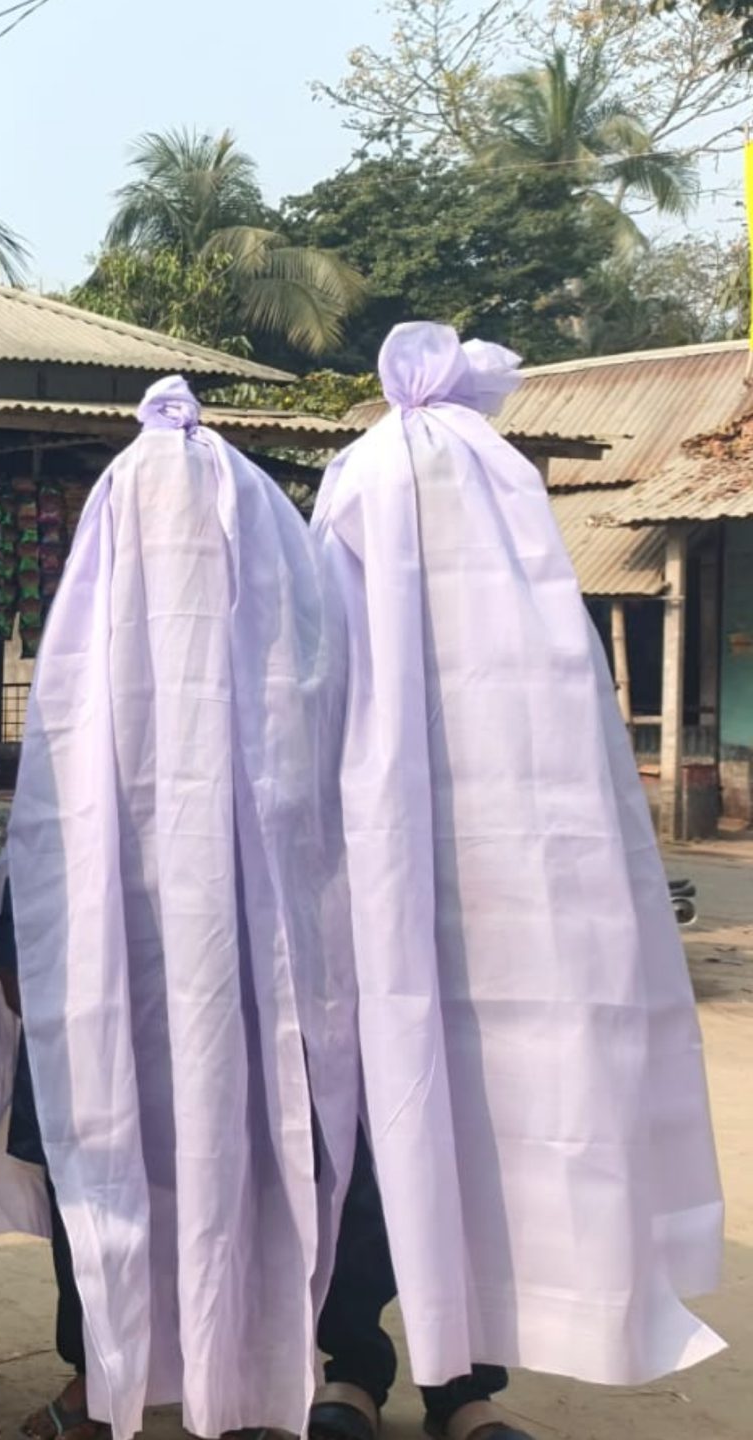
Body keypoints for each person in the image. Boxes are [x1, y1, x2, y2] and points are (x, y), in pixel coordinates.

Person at [303, 325, 725, 1440]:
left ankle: (464, 1387)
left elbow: (569, 803)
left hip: (492, 915)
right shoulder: (350, 561)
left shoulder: (524, 638)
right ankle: (350, 1366)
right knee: (359, 1150)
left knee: (490, 1135)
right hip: (356, 900)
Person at [0, 377, 355, 1440]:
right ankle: (96, 1369)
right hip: (105, 960)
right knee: (94, 1152)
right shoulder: (82, 663)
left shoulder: (291, 670)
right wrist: (27, 939)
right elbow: (45, 819)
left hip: (248, 967)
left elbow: (320, 831)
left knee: (247, 1147)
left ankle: (245, 1365)